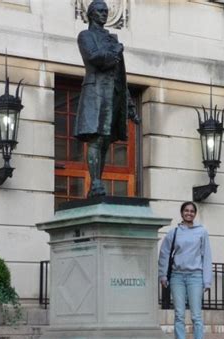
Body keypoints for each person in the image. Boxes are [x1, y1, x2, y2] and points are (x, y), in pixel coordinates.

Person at [74, 0, 140, 197]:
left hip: (112, 94)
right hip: (95, 93)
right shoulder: (85, 36)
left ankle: (97, 182)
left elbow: (120, 76)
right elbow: (95, 58)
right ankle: (95, 183)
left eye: (105, 11)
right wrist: (116, 52)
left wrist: (129, 104)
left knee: (105, 140)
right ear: (91, 14)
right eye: (100, 11)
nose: (104, 14)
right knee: (96, 138)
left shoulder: (112, 39)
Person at [158, 201, 212, 339]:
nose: (189, 213)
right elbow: (164, 254)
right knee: (179, 315)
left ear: (195, 214)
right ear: (182, 213)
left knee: (196, 316)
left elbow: (206, 256)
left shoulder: (202, 232)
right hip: (177, 277)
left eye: (192, 211)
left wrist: (207, 280)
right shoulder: (173, 233)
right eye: (186, 211)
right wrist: (163, 274)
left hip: (195, 276)